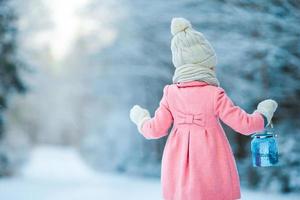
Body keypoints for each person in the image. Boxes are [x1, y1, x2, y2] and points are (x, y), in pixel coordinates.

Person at [129, 17, 278, 200]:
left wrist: (141, 118)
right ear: (206, 65)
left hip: (178, 169)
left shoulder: (170, 94)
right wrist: (264, 112)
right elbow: (246, 125)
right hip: (211, 167)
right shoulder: (214, 94)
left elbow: (154, 130)